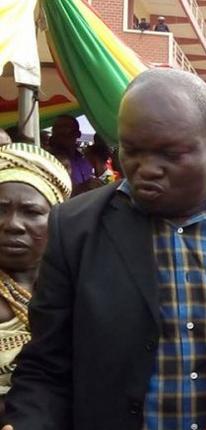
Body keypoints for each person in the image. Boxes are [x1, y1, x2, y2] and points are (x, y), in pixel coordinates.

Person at [2, 68, 206, 430]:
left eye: (168, 153)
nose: (146, 169)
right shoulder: (75, 228)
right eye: (131, 150)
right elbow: (46, 367)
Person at [0, 143, 70, 413]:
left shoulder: (76, 286)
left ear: (56, 218)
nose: (13, 224)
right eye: (1, 209)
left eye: (31, 212)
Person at [49, 115, 93, 194]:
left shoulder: (84, 161)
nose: (60, 132)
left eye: (66, 129)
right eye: (56, 128)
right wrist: (83, 187)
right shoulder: (48, 160)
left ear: (77, 134)